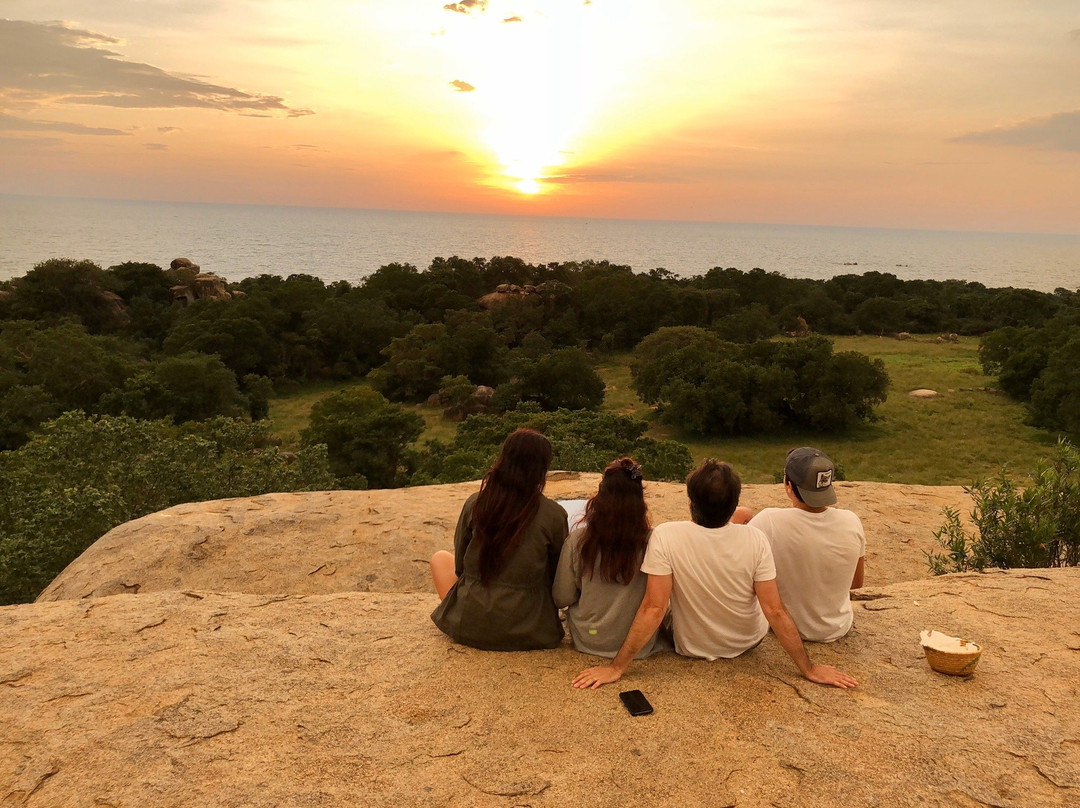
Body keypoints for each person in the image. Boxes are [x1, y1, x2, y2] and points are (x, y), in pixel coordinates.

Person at [572, 459, 858, 689]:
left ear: (690, 502)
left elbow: (654, 608)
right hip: (748, 641)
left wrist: (616, 667)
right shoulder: (755, 540)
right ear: (733, 506)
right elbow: (775, 610)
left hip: (691, 646)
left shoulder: (666, 536)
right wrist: (808, 668)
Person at [430, 429, 569, 651]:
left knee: (440, 558)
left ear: (503, 459)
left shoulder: (476, 503)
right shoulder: (553, 514)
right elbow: (557, 577)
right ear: (542, 469)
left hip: (470, 625)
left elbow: (459, 566)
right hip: (530, 630)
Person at [552, 457, 671, 659]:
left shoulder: (579, 540)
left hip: (589, 638)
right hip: (638, 643)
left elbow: (562, 597)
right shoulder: (653, 541)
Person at [748, 447, 865, 642]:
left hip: (786, 628)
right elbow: (856, 583)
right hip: (838, 627)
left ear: (788, 485)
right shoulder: (852, 520)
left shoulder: (769, 520)